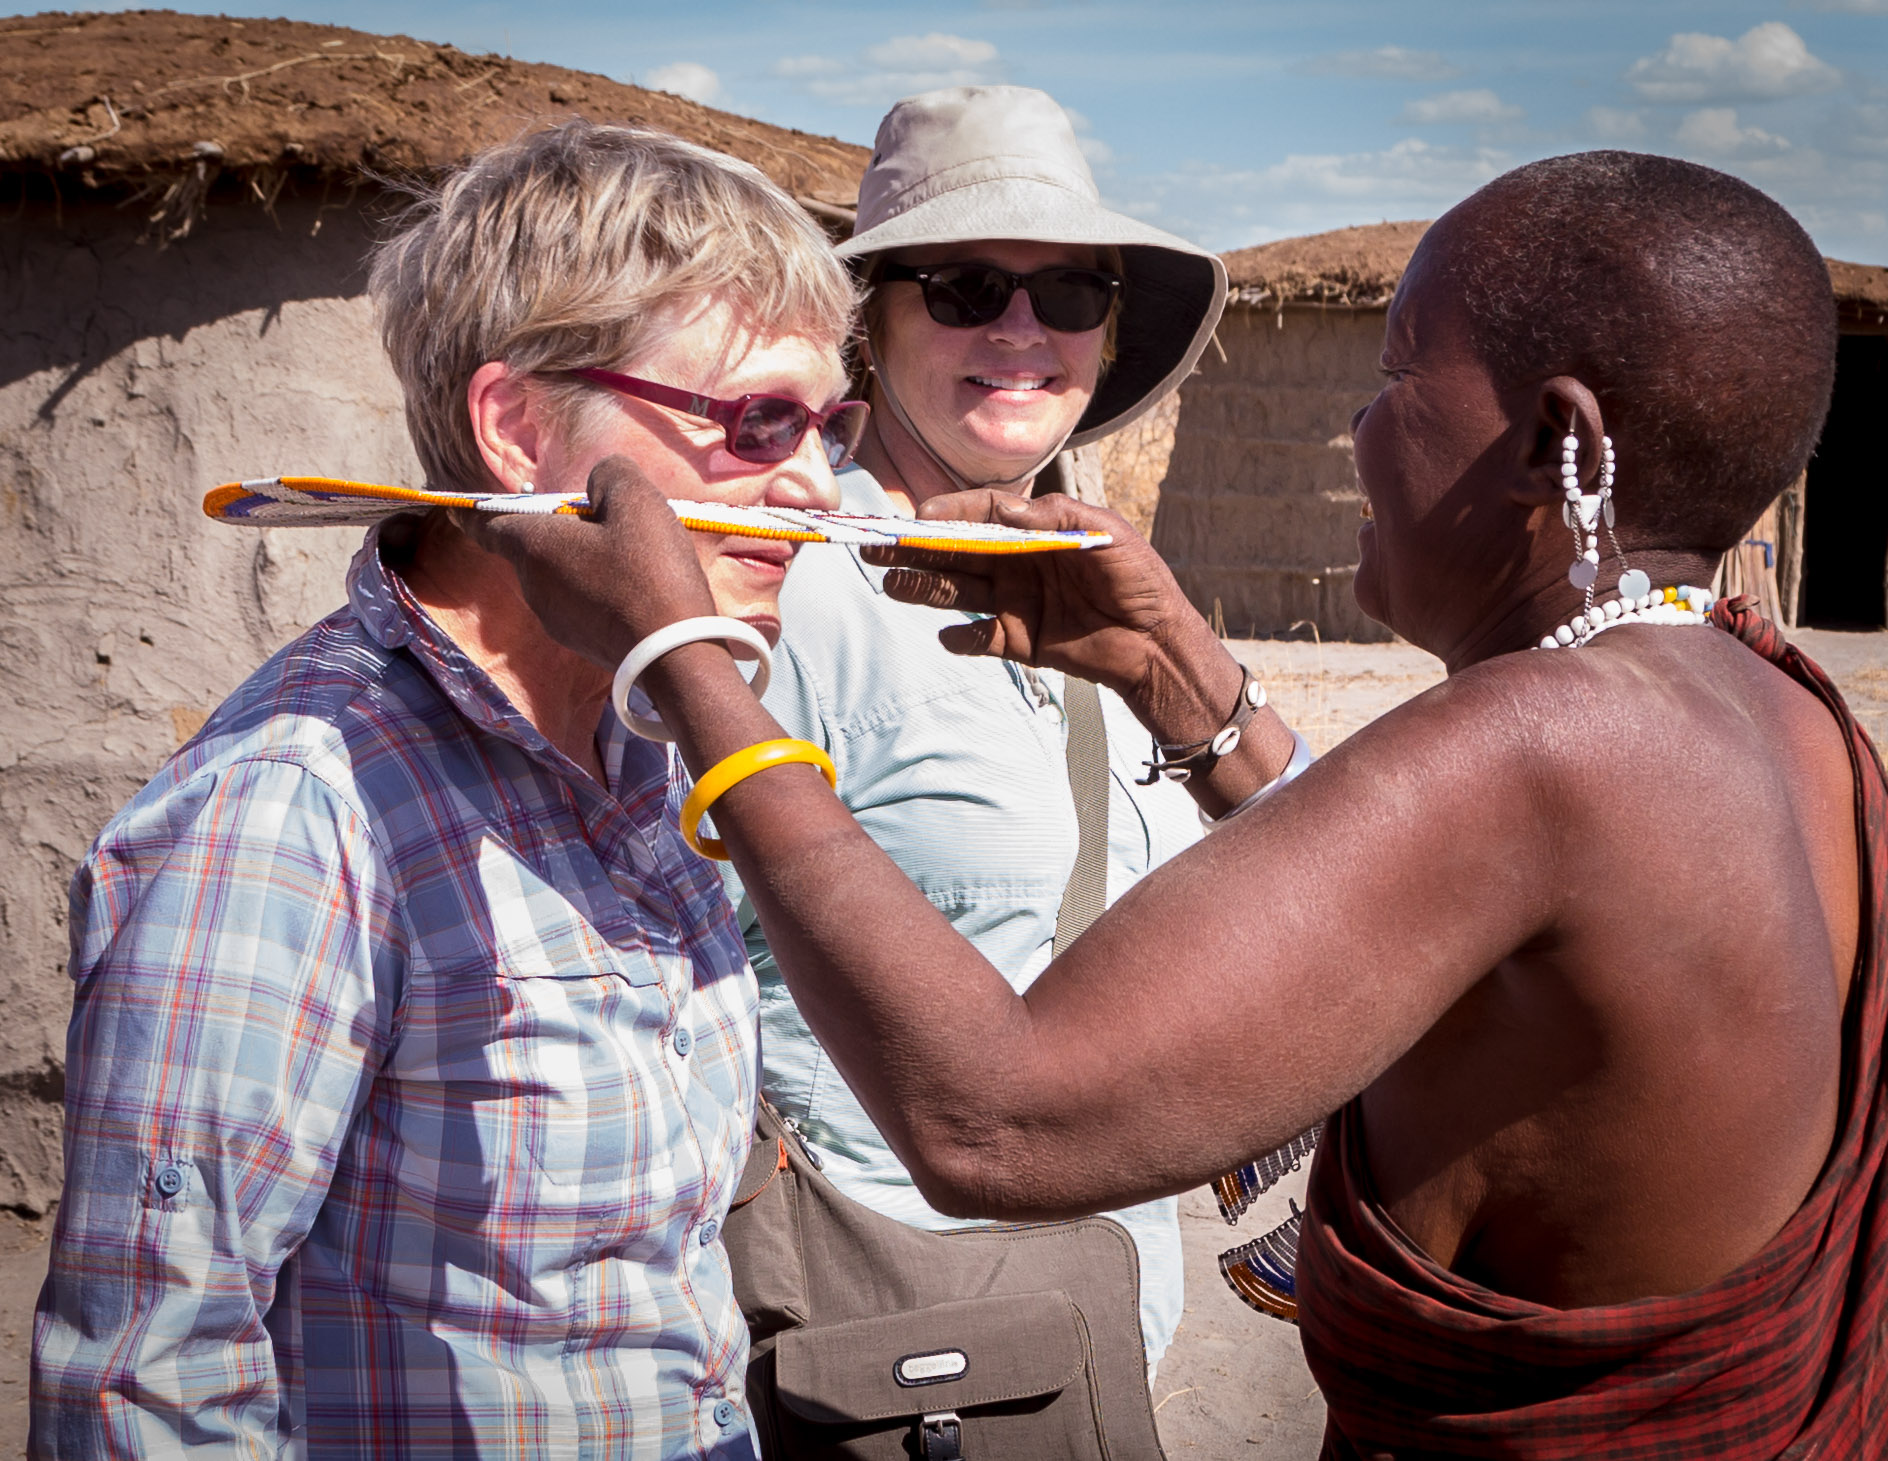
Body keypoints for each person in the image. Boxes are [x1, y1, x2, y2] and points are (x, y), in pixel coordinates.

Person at [462, 151, 1883, 1457]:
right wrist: (1171, 669)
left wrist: (688, 668)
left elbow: (995, 1121)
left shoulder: (1542, 742)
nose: (1355, 425)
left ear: (1557, 447)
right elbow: (1437, 914)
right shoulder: (1779, 714)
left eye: (1395, 377)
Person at [32, 120, 861, 1457]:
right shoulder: (296, 806)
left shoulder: (635, 738)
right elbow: (146, 1380)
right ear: (519, 428)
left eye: (830, 421)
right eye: (757, 419)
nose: (818, 479)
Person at [722, 84, 1255, 1374]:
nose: (1022, 330)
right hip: (890, 1302)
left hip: (1104, 1294)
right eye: (964, 288)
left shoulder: (1115, 583)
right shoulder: (792, 595)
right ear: (871, 326)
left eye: (1069, 294)